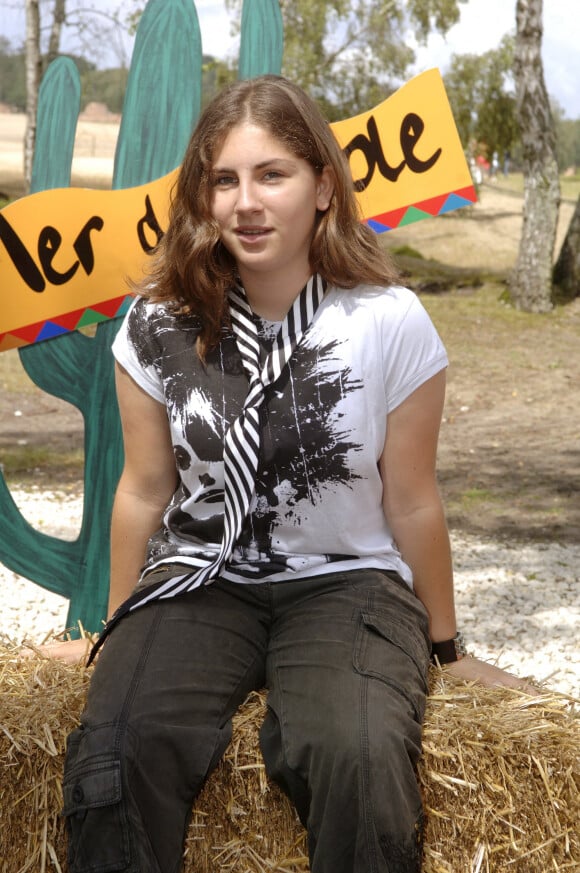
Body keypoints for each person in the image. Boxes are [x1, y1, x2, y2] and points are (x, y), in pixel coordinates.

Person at [54, 76, 525, 873]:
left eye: (272, 174)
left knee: (359, 749)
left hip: (349, 583)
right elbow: (144, 489)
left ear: (322, 187)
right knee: (119, 746)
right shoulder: (157, 323)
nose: (247, 201)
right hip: (200, 577)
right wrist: (114, 628)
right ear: (201, 195)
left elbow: (411, 499)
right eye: (225, 179)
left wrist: (449, 649)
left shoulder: (388, 320)